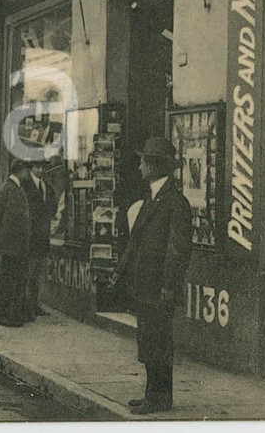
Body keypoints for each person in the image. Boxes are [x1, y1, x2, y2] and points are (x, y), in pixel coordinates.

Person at [112, 137, 192, 415]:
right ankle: (152, 393)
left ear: (155, 166)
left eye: (144, 161)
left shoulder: (175, 202)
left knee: (159, 342)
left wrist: (169, 286)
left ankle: (160, 398)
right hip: (145, 285)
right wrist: (120, 270)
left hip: (159, 287)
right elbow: (135, 240)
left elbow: (178, 250)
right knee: (148, 340)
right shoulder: (152, 198)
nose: (140, 167)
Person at [0, 158, 33, 327]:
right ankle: (5, 314)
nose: (28, 174)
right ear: (19, 171)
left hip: (18, 245)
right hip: (10, 245)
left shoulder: (17, 188)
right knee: (8, 280)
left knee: (15, 279)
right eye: (27, 170)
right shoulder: (8, 189)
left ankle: (13, 312)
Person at [25, 159, 57, 319]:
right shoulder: (26, 186)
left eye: (43, 167)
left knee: (38, 273)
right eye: (38, 167)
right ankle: (27, 306)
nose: (41, 170)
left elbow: (53, 207)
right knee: (29, 273)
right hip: (30, 237)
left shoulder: (47, 187)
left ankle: (35, 304)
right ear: (31, 168)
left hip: (42, 237)